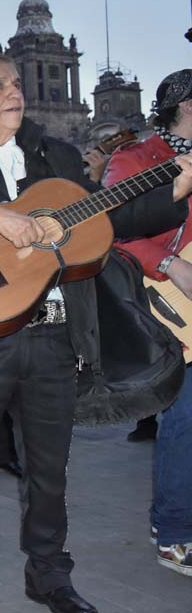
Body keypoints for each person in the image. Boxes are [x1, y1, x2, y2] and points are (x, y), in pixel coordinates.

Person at [0, 52, 192, 613]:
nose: (15, 91)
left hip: (55, 336)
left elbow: (109, 222)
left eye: (16, 82)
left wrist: (175, 192)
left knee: (49, 471)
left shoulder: (56, 155)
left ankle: (50, 574)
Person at [103, 68, 192, 577]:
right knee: (185, 417)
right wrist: (171, 264)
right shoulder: (137, 158)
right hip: (166, 299)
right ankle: (175, 531)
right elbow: (110, 229)